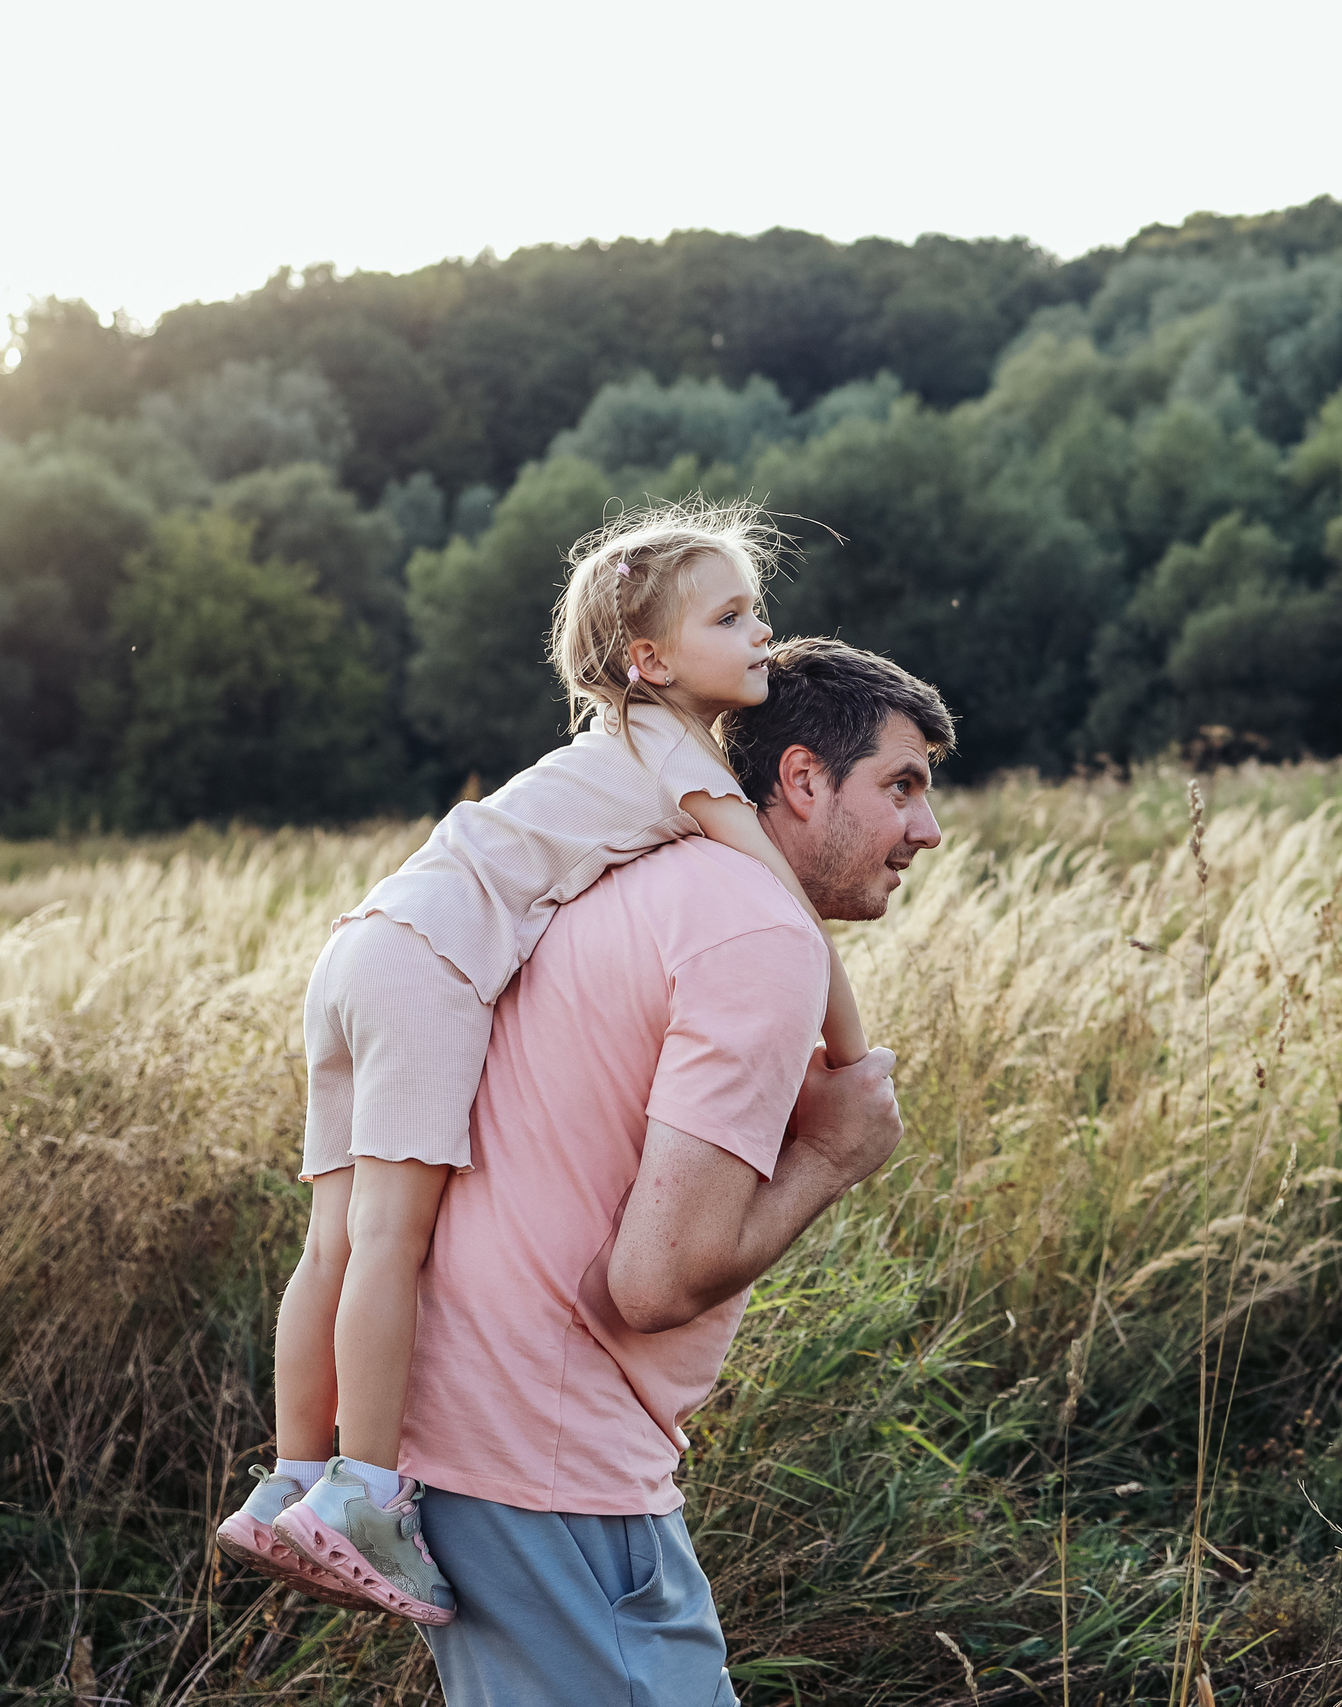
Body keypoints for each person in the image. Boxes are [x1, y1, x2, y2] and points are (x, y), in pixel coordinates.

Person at [214, 503, 868, 1622]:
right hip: (430, 966)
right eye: (732, 615)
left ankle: (287, 1478)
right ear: (648, 660)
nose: (762, 633)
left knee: (332, 1237)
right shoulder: (674, 751)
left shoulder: (608, 747)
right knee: (391, 1241)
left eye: (757, 609)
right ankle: (364, 1493)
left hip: (365, 946)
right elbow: (776, 894)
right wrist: (852, 1058)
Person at [394, 640, 951, 1703]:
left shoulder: (648, 881)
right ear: (799, 779)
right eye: (903, 786)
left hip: (490, 1441)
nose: (926, 829)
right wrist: (833, 1157)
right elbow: (650, 1282)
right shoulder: (756, 933)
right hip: (550, 1464)